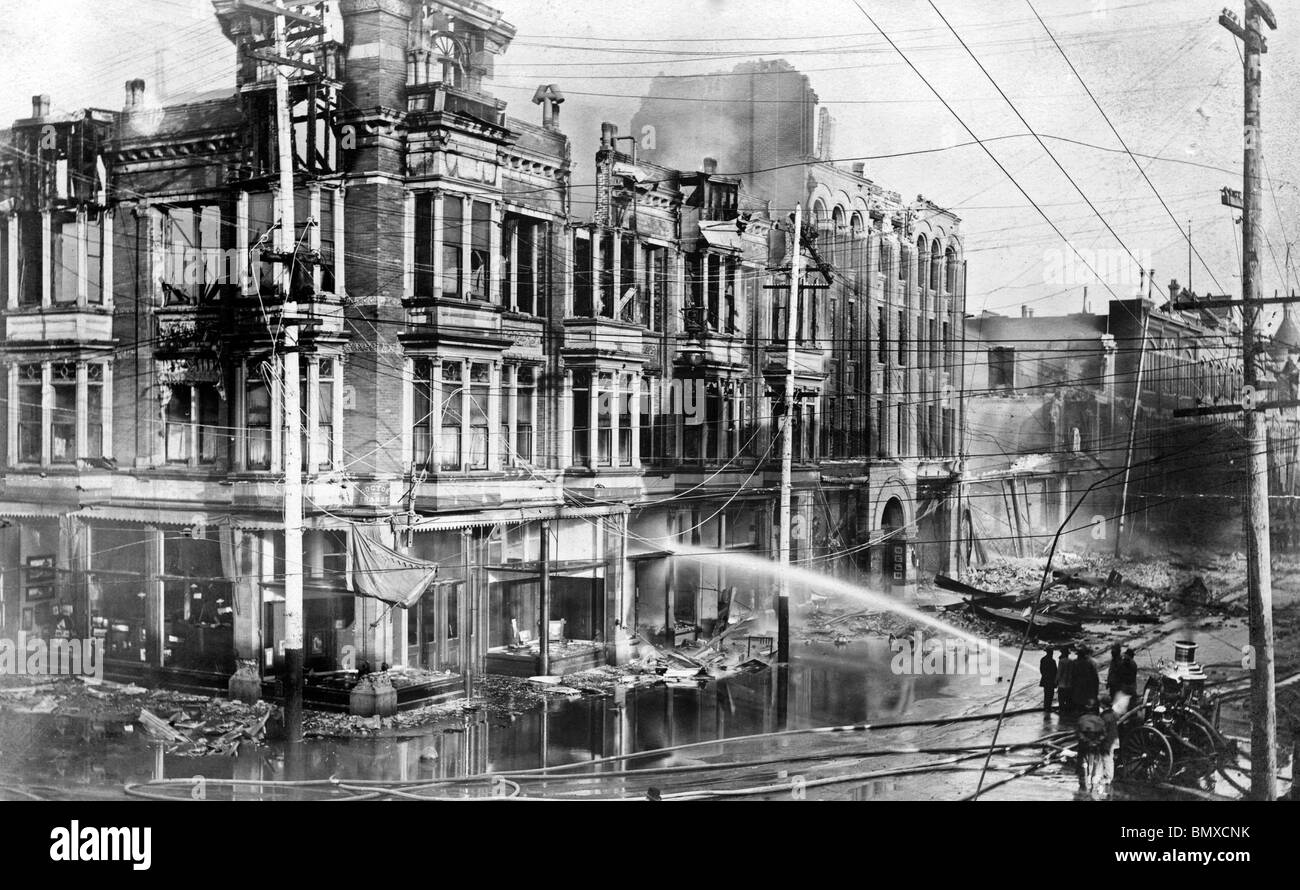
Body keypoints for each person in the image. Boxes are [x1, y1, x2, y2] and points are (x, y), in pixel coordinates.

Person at [1075, 706, 1107, 796]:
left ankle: (1084, 783)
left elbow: (1078, 733)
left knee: (1083, 762)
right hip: (1096, 745)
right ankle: (1093, 781)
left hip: (1084, 745)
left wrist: (1086, 741)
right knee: (1096, 762)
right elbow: (1104, 734)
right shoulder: (1099, 720)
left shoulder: (1081, 719)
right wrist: (1095, 742)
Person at [1098, 693, 1120, 798]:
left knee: (1106, 760)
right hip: (1113, 741)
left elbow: (1103, 732)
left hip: (1107, 742)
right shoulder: (1113, 714)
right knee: (1109, 759)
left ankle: (1108, 779)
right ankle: (1107, 778)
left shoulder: (1105, 717)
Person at [1072, 644, 1100, 712]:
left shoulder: (1074, 662)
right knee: (1085, 701)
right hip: (1086, 685)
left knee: (1078, 701)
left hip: (1078, 685)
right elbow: (1094, 676)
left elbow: (1072, 675)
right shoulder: (1089, 663)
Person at [1056, 647, 1076, 716]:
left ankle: (1062, 711)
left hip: (1062, 684)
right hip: (1069, 684)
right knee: (1068, 699)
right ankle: (1068, 711)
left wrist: (1056, 681)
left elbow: (1059, 673)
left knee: (1061, 699)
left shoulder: (1061, 661)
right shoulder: (1071, 661)